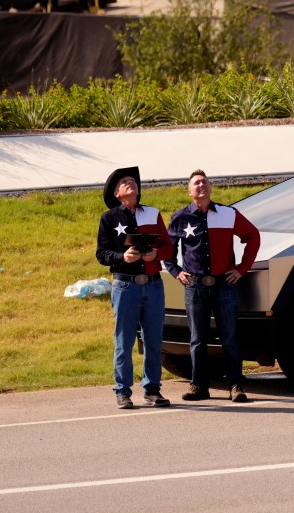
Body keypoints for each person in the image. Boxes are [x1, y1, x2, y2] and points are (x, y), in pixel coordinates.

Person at [163, 170, 261, 403]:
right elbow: (167, 249)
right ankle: (199, 385)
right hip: (195, 287)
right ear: (189, 191)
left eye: (204, 182)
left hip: (224, 285)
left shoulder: (228, 214)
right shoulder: (180, 217)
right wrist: (176, 271)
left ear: (210, 188)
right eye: (196, 183)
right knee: (197, 339)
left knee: (230, 337)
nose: (201, 185)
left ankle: (236, 385)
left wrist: (241, 269)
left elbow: (253, 236)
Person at [96, 166, 174, 409]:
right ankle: (122, 390)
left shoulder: (153, 213)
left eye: (133, 180)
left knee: (154, 339)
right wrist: (122, 257)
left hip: (153, 285)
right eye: (124, 182)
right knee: (124, 339)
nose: (131, 183)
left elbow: (169, 247)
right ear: (117, 193)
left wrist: (156, 254)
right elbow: (101, 254)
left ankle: (152, 390)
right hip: (125, 286)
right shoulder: (109, 218)